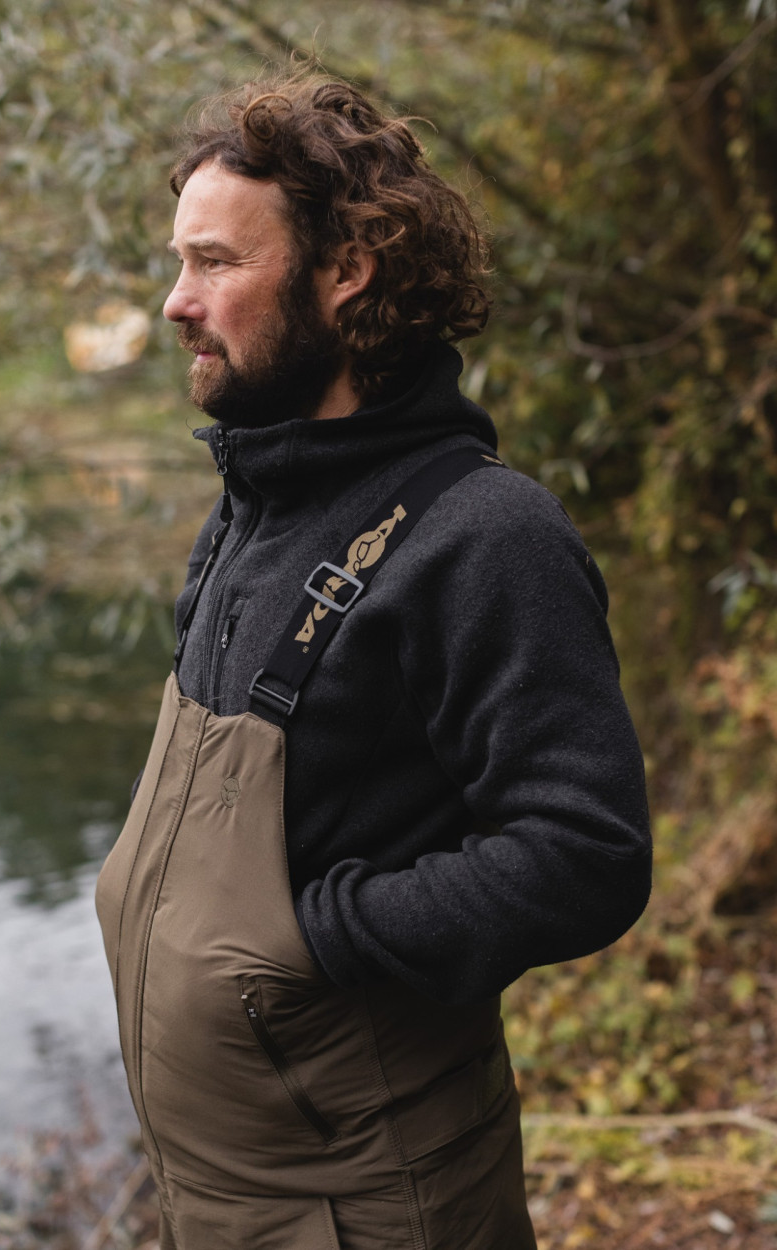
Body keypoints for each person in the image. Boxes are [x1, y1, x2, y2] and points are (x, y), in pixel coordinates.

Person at [96, 69, 651, 1250]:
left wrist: (316, 936)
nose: (175, 302)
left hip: (374, 1212)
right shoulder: (251, 503)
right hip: (223, 1196)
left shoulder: (486, 535)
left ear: (345, 270)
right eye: (179, 261)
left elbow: (585, 853)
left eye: (214, 263)